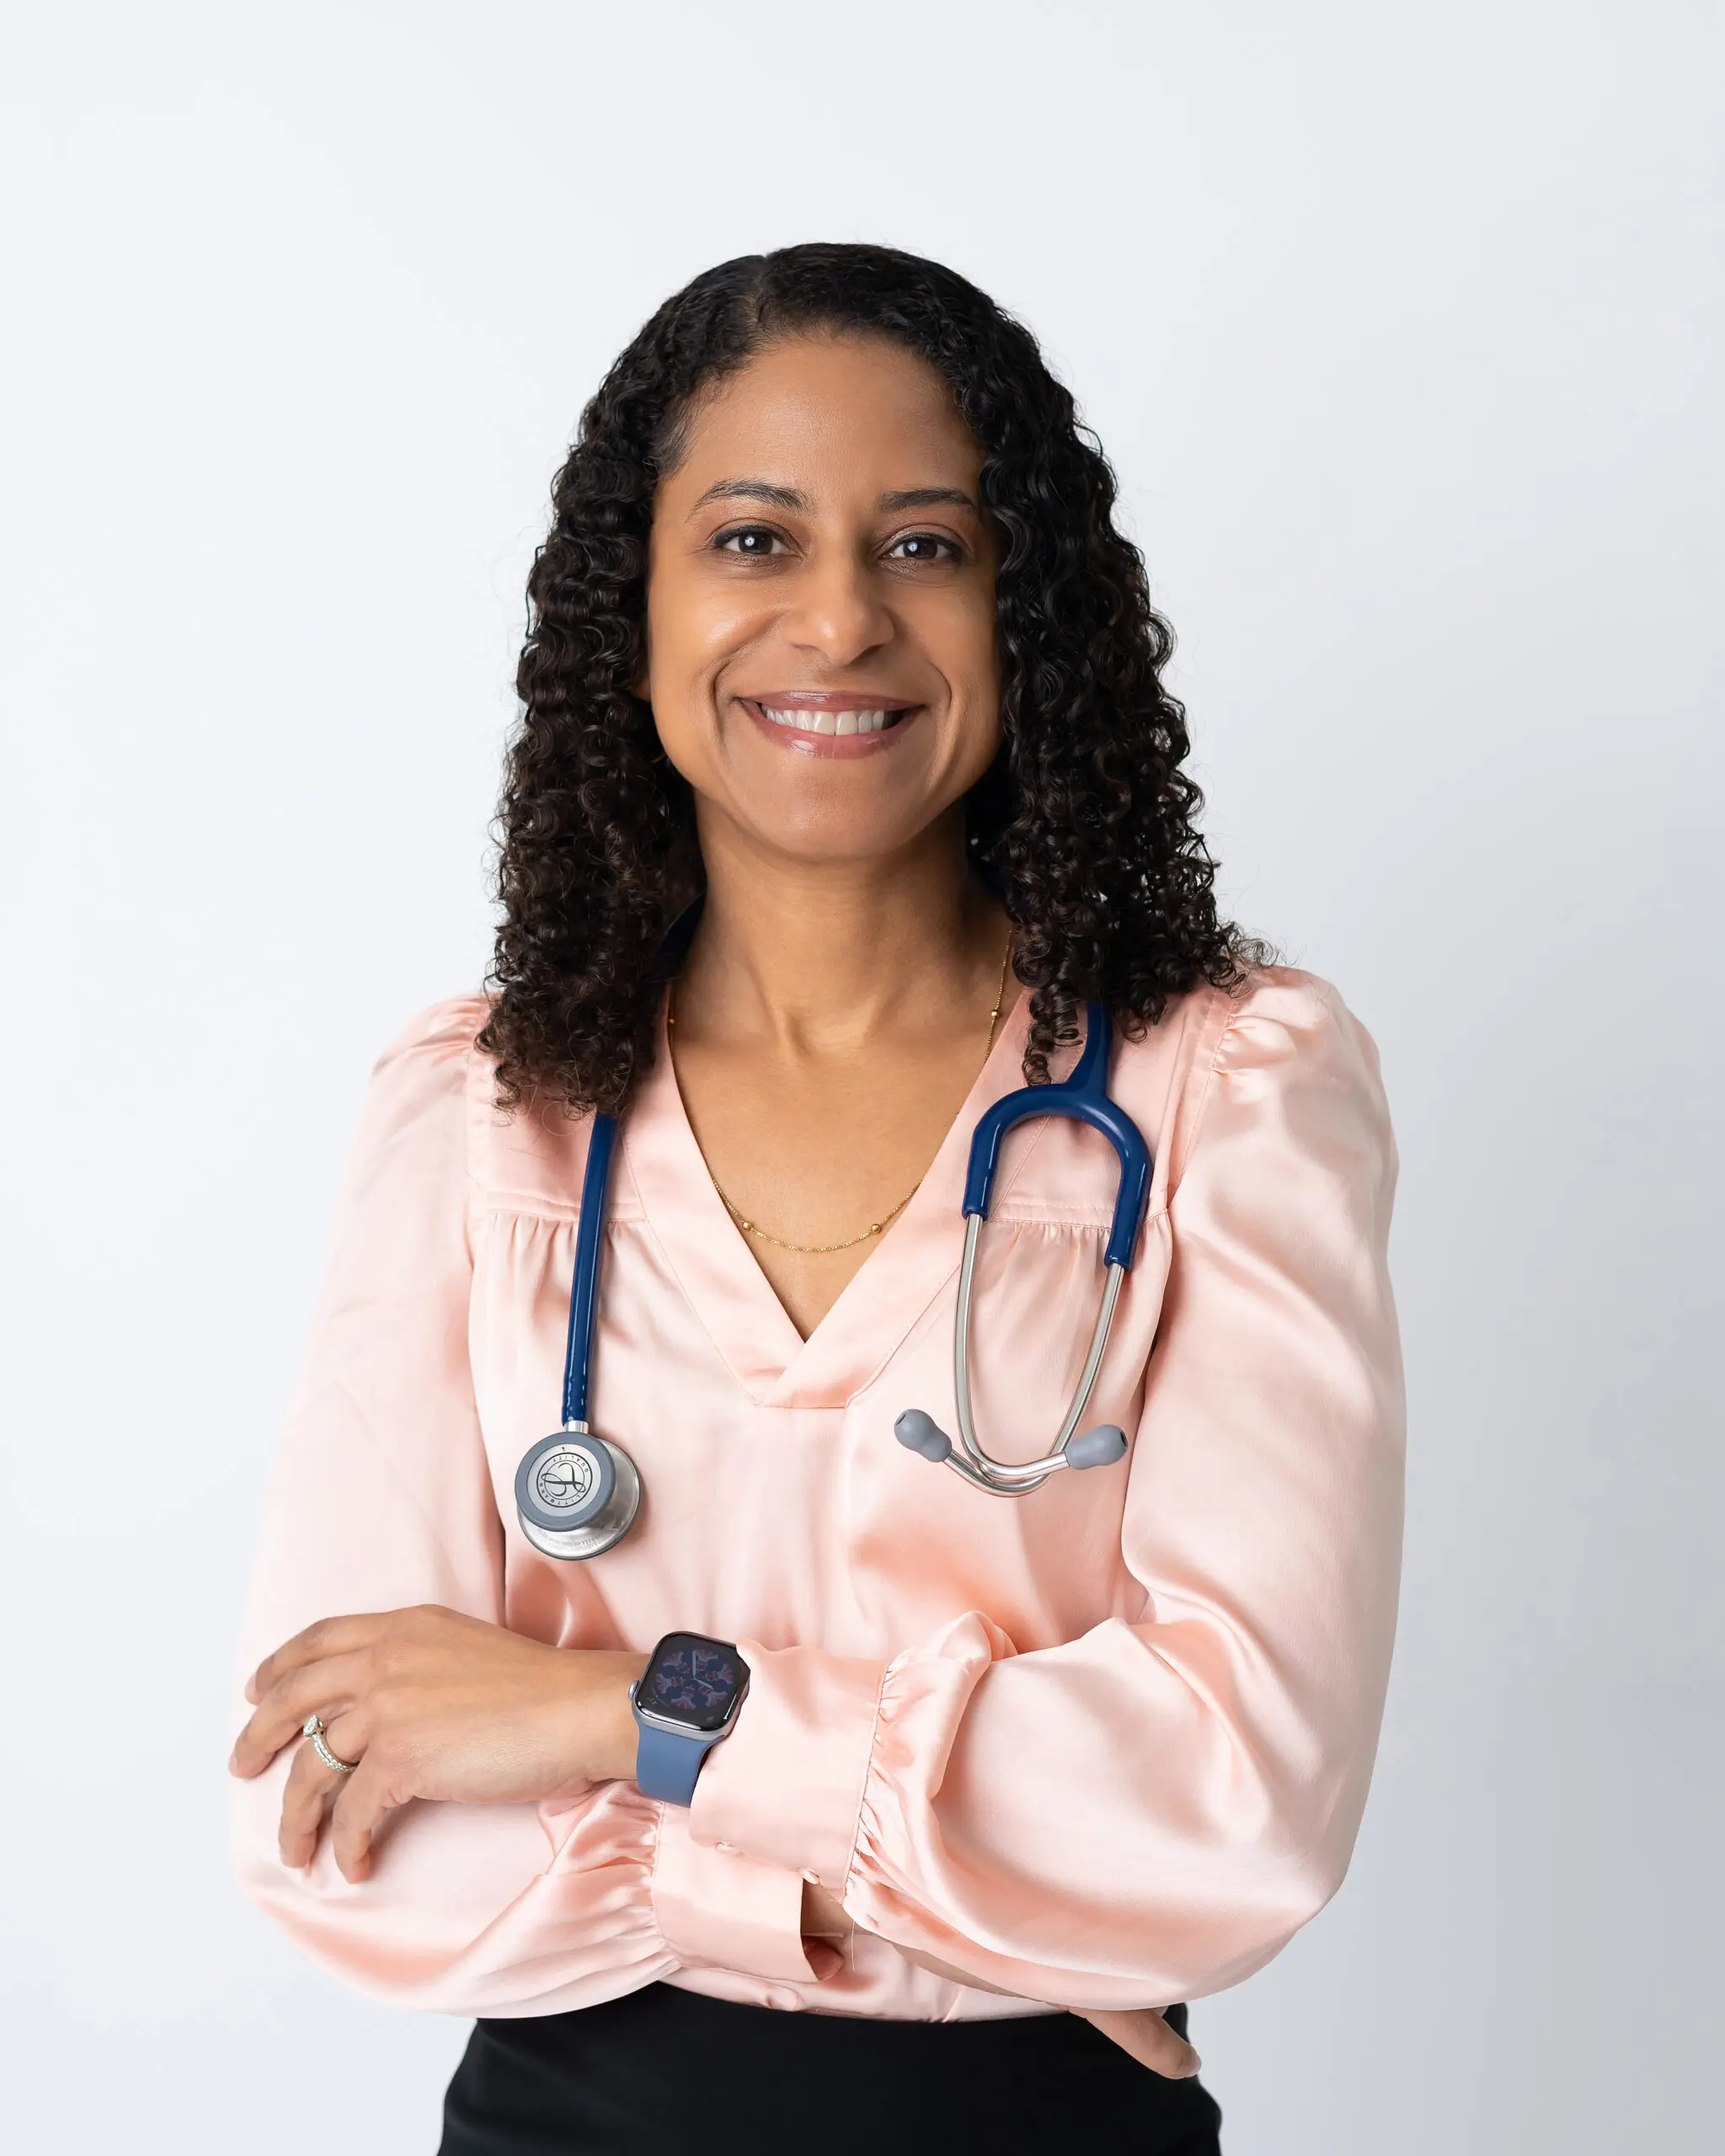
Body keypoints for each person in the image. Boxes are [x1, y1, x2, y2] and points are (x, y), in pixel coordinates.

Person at [228, 242, 1404, 2155]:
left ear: (1029, 611)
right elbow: (337, 1815)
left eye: (927, 545)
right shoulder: (476, 1115)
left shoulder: (1225, 1087)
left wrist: (622, 1713)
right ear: (639, 605)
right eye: (756, 541)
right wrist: (948, 1881)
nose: (841, 619)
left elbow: (1232, 1799)